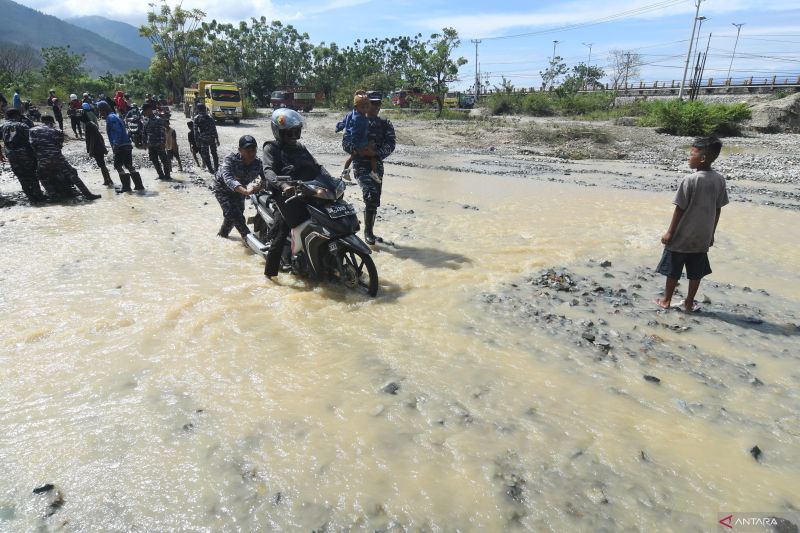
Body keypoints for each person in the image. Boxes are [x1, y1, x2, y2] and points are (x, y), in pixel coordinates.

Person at [655, 136, 728, 313]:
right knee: (696, 272)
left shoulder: (690, 180)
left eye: (692, 154)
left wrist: (669, 233)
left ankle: (666, 300)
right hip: (702, 238)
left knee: (673, 270)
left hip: (682, 237)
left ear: (702, 158)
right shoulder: (719, 180)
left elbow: (679, 208)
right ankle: (688, 302)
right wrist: (711, 234)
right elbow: (718, 209)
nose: (689, 157)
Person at [262, 108, 332, 278]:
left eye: (296, 132)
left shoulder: (300, 147)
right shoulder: (271, 148)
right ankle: (270, 274)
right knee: (280, 233)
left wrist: (330, 179)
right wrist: (284, 186)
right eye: (289, 133)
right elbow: (268, 171)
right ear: (278, 132)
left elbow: (316, 166)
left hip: (308, 192)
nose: (293, 136)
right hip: (285, 196)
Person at [346, 90, 396, 244]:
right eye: (371, 103)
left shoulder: (384, 124)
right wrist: (357, 150)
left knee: (374, 200)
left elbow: (391, 144)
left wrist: (375, 154)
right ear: (365, 104)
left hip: (377, 165)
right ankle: (367, 233)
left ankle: (370, 232)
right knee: (370, 192)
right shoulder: (355, 120)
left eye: (377, 103)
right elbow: (345, 142)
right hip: (360, 165)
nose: (375, 106)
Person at [29, 116, 101, 200]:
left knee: (42, 176)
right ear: (52, 122)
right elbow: (59, 146)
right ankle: (88, 195)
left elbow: (32, 145)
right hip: (57, 157)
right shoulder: (57, 131)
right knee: (72, 175)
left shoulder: (32, 131)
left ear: (42, 121)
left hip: (42, 158)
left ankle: (53, 196)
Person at [213, 135, 264, 240]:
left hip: (240, 191)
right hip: (222, 189)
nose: (251, 153)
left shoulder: (258, 163)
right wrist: (245, 191)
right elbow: (229, 179)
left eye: (253, 149)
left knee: (235, 215)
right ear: (240, 150)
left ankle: (222, 236)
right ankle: (248, 239)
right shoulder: (230, 160)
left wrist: (260, 186)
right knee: (235, 216)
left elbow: (267, 179)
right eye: (247, 150)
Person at [1, 108, 46, 202]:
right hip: (25, 153)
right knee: (32, 174)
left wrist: (0, 153)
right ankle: (39, 196)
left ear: (7, 116)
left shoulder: (2, 126)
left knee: (20, 175)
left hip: (10, 154)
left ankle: (31, 197)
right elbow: (32, 140)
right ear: (17, 115)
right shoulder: (22, 125)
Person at [97, 101, 143, 192]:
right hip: (127, 144)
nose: (100, 113)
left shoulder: (111, 118)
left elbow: (117, 131)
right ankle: (139, 186)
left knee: (118, 165)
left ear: (104, 110)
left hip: (121, 145)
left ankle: (126, 187)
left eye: (100, 111)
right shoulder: (115, 116)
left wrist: (115, 144)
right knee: (129, 165)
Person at [340, 91, 378, 183]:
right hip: (358, 143)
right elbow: (354, 133)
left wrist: (339, 127)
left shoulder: (355, 114)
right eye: (362, 107)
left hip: (359, 142)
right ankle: (374, 173)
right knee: (373, 155)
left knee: (353, 156)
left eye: (367, 107)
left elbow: (345, 121)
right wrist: (358, 148)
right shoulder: (358, 119)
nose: (365, 109)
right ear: (356, 107)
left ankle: (345, 171)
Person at [80, 107, 113, 186]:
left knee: (102, 165)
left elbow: (92, 139)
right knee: (102, 165)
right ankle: (109, 180)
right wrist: (104, 147)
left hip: (96, 148)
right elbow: (99, 137)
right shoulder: (92, 123)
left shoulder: (88, 125)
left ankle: (107, 180)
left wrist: (91, 151)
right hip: (99, 147)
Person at [142, 102, 171, 180]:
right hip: (150, 144)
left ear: (149, 110)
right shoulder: (145, 120)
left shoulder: (158, 119)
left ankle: (167, 176)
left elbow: (162, 132)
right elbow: (144, 132)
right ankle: (161, 175)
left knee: (164, 160)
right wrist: (144, 143)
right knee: (154, 161)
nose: (144, 113)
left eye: (145, 111)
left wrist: (162, 143)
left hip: (159, 144)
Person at [192, 103, 220, 174]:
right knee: (214, 153)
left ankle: (211, 170)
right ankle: (216, 168)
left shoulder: (196, 118)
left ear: (198, 109)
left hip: (203, 139)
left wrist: (197, 141)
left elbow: (195, 131)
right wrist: (217, 139)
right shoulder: (210, 117)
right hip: (212, 138)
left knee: (206, 155)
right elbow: (214, 129)